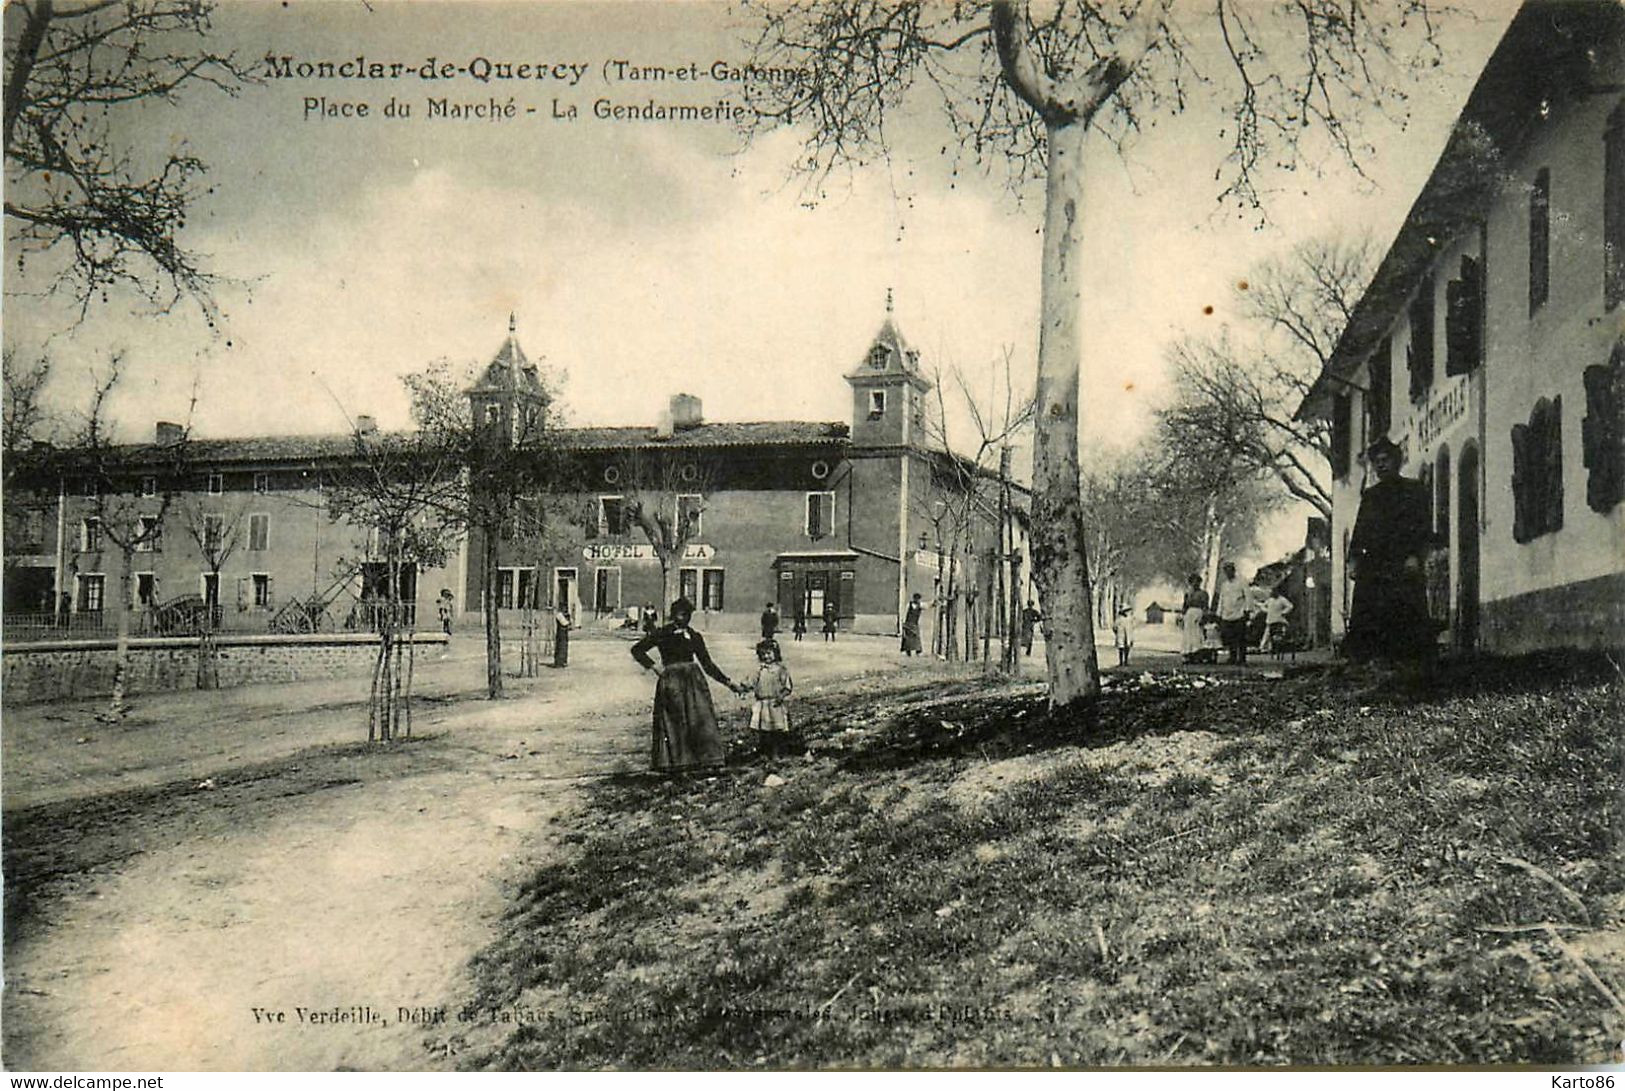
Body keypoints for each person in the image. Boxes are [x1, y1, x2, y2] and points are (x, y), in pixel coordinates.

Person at [1345, 436, 1435, 669]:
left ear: (1397, 462)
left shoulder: (1414, 491)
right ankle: (1372, 662)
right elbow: (1360, 531)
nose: (1381, 466)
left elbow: (1423, 527)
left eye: (1385, 460)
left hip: (1403, 561)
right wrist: (1354, 560)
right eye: (1376, 462)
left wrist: (1416, 555)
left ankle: (1409, 664)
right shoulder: (1371, 496)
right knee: (1369, 609)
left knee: (1405, 610)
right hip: (1374, 565)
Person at [630, 597, 746, 774]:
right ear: (673, 614)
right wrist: (655, 667)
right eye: (679, 614)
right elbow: (637, 649)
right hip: (672, 681)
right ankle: (675, 763)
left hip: (693, 682)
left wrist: (729, 683)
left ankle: (703, 760)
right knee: (674, 719)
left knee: (699, 718)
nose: (682, 618)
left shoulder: (695, 636)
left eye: (687, 615)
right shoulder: (662, 633)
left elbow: (707, 664)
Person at [748, 639, 797, 757]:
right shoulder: (759, 670)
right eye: (763, 654)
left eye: (769, 653)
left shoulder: (780, 670)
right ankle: (765, 751)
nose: (766, 657)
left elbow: (787, 686)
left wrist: (781, 696)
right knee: (764, 730)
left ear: (776, 653)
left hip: (775, 703)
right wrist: (742, 688)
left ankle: (778, 752)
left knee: (777, 729)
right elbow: (751, 682)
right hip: (762, 704)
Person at [1214, 562, 1250, 666]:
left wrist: (1247, 610)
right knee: (1230, 637)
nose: (1228, 572)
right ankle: (1232, 657)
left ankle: (1242, 659)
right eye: (1226, 571)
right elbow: (1221, 599)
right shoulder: (1224, 585)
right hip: (1227, 614)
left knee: (1241, 637)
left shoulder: (1242, 582)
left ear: (1234, 570)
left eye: (1230, 570)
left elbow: (1248, 597)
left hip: (1239, 613)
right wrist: (1219, 613)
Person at [1179, 574, 1208, 662]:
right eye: (1193, 582)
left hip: (1198, 613)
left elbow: (1205, 606)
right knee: (1188, 634)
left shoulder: (1203, 594)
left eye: (1197, 582)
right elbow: (1185, 606)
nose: (1195, 584)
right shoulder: (1188, 594)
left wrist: (1204, 617)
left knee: (1197, 634)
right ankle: (1188, 654)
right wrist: (1182, 617)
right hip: (1189, 615)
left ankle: (1197, 654)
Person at [1262, 586, 1295, 656]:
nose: (1273, 593)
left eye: (1274, 592)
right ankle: (1265, 648)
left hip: (1279, 619)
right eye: (1272, 592)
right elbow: (1263, 606)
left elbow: (1290, 606)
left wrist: (1284, 612)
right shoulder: (1270, 600)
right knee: (1267, 634)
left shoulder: (1282, 599)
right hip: (1270, 620)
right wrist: (1267, 611)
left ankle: (1280, 647)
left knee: (1281, 632)